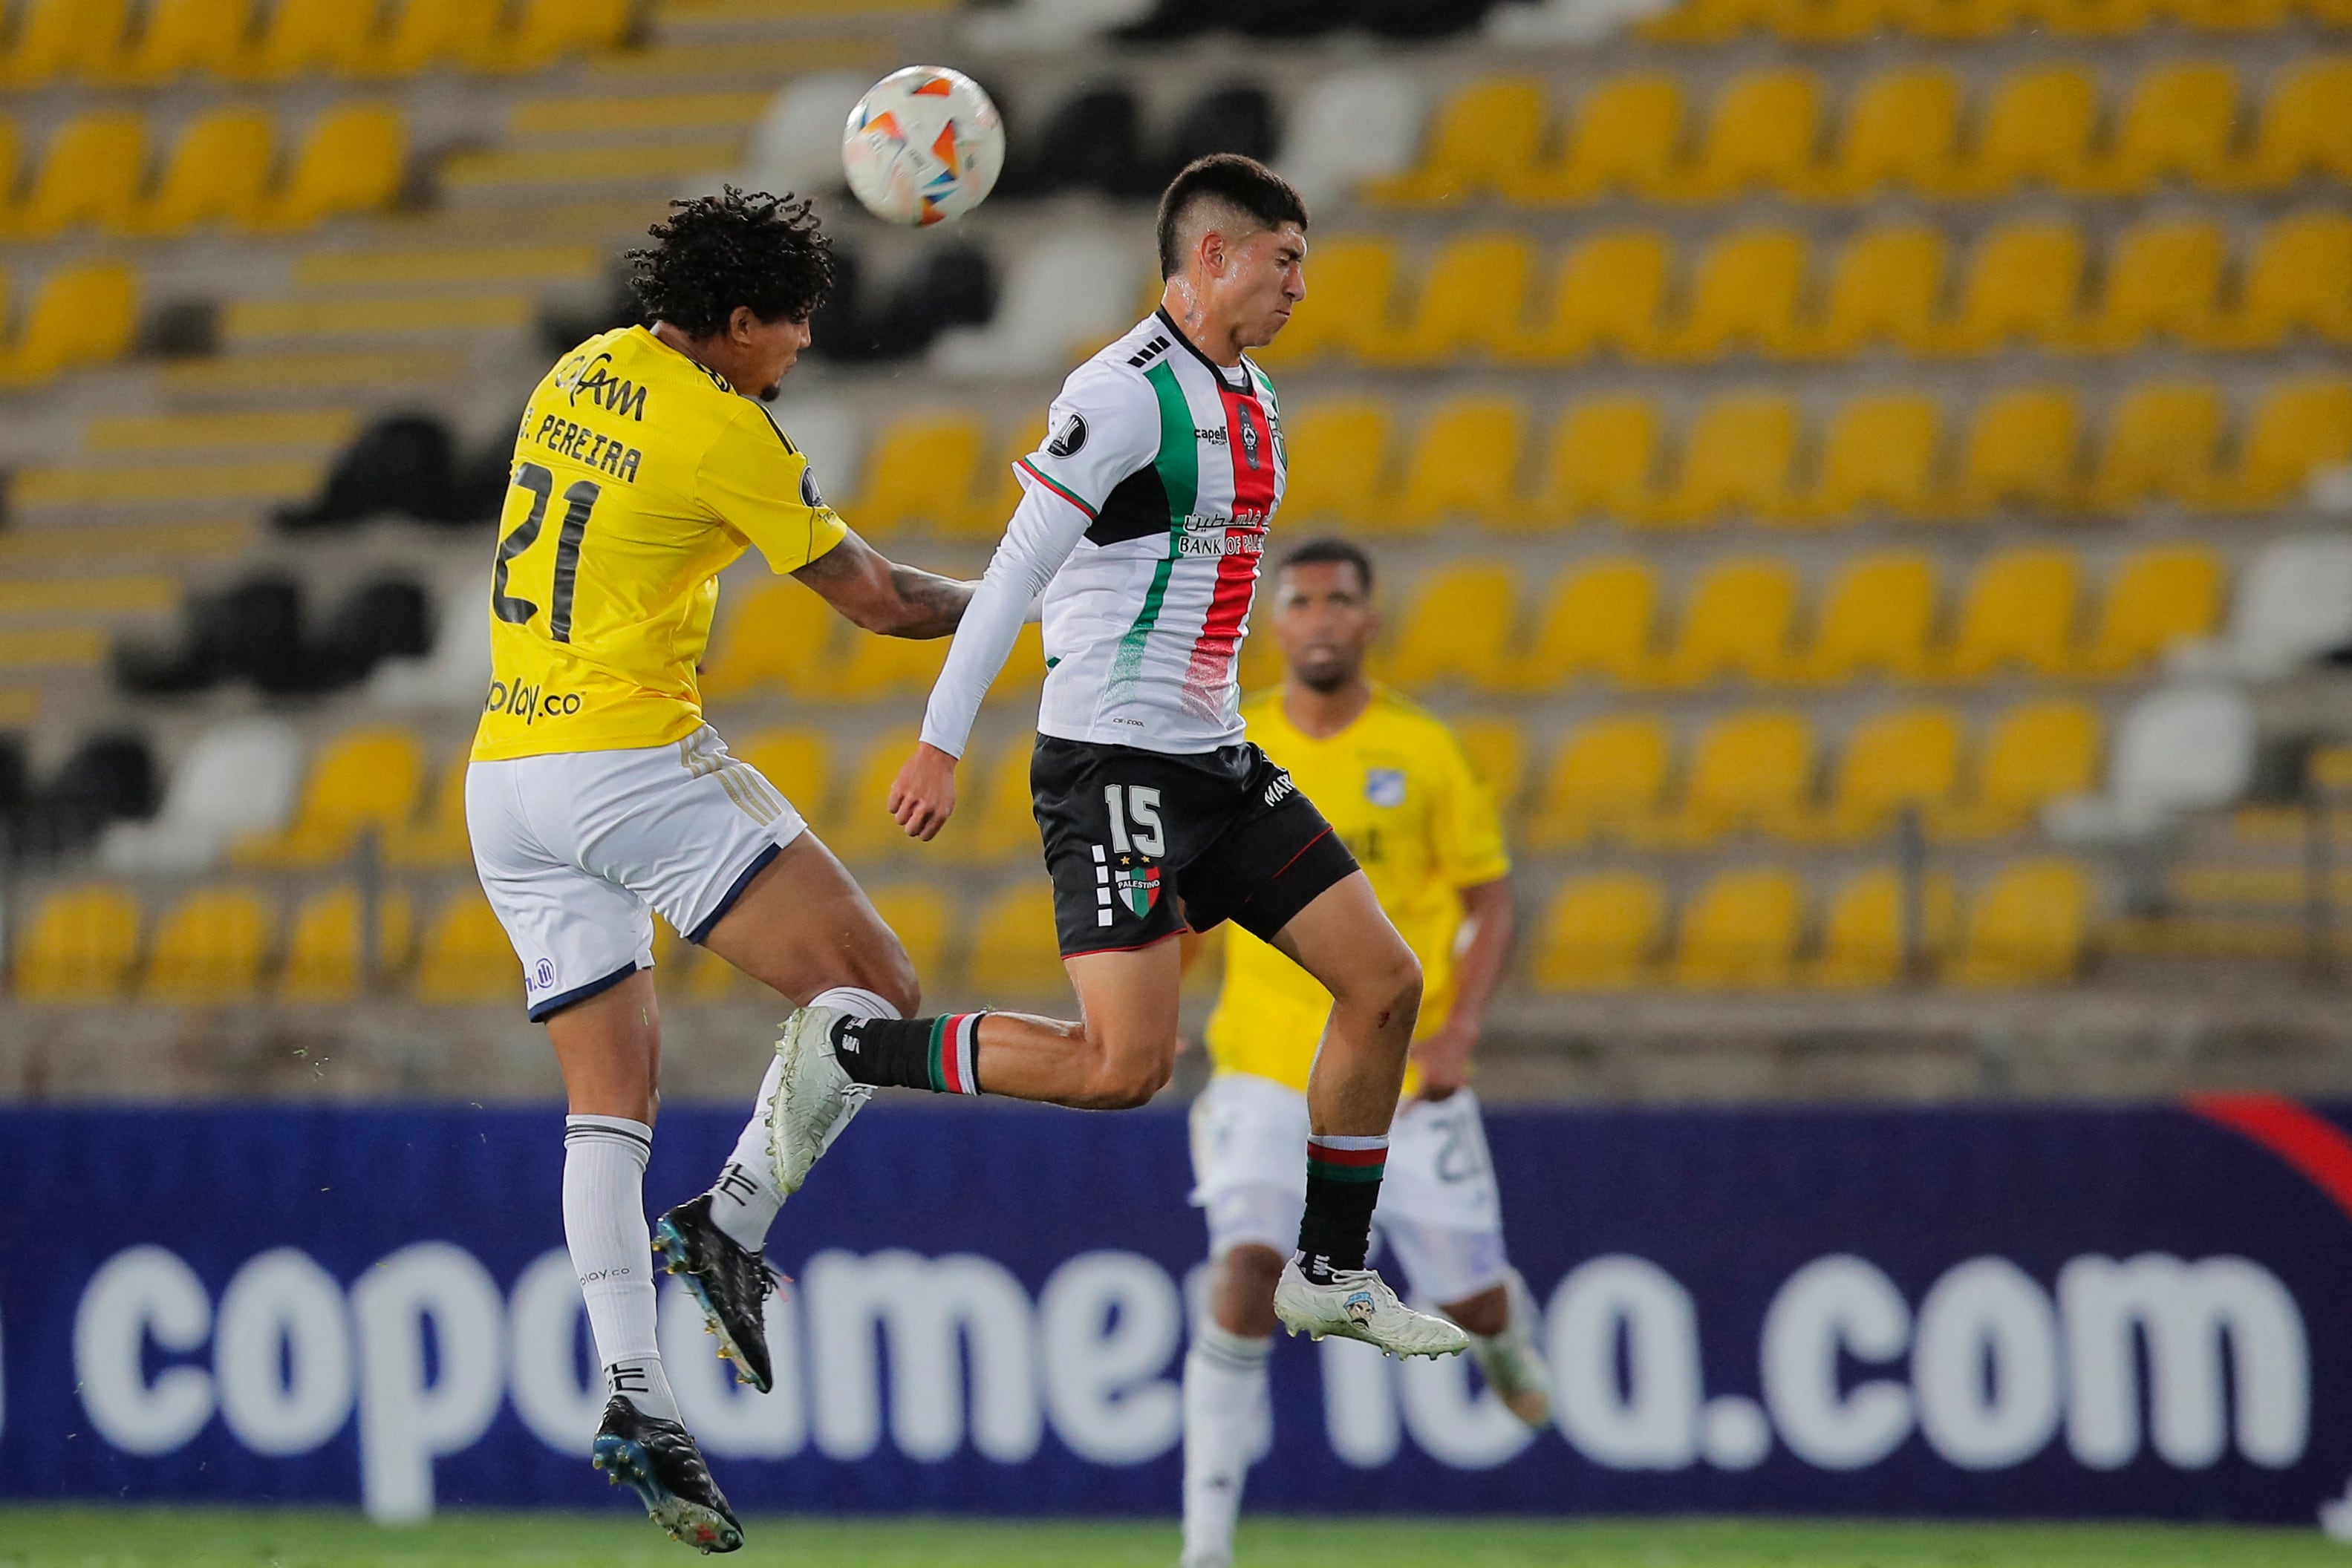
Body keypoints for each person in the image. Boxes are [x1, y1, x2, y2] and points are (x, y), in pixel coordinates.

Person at [758, 154, 1467, 1362]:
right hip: (1115, 765)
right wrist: (941, 738)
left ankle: (1333, 1272)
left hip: (1218, 759)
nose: (1303, 283)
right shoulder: (1123, 393)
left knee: (1386, 984)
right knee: (1122, 1068)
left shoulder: (1258, 396)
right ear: (1214, 258)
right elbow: (1016, 572)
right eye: (1286, 258)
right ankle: (852, 1048)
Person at [464, 188, 978, 1553]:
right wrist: (1038, 598)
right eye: (794, 324)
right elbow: (876, 601)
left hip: (503, 777)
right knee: (875, 984)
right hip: (623, 760)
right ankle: (732, 1220)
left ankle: (636, 1391)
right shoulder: (725, 426)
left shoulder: (583, 368)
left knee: (607, 1111)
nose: (803, 347)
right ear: (740, 322)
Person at [1177, 538, 1554, 1568]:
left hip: (1399, 1079)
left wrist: (1461, 1030)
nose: (1323, 618)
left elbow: (1489, 900)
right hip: (1261, 1070)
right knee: (1247, 1265)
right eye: (1301, 602)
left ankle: (1504, 1333)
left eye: (1341, 600)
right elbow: (1184, 898)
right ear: (1277, 623)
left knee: (1470, 1302)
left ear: (1369, 620)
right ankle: (1204, 1547)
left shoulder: (1422, 751)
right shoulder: (1230, 738)